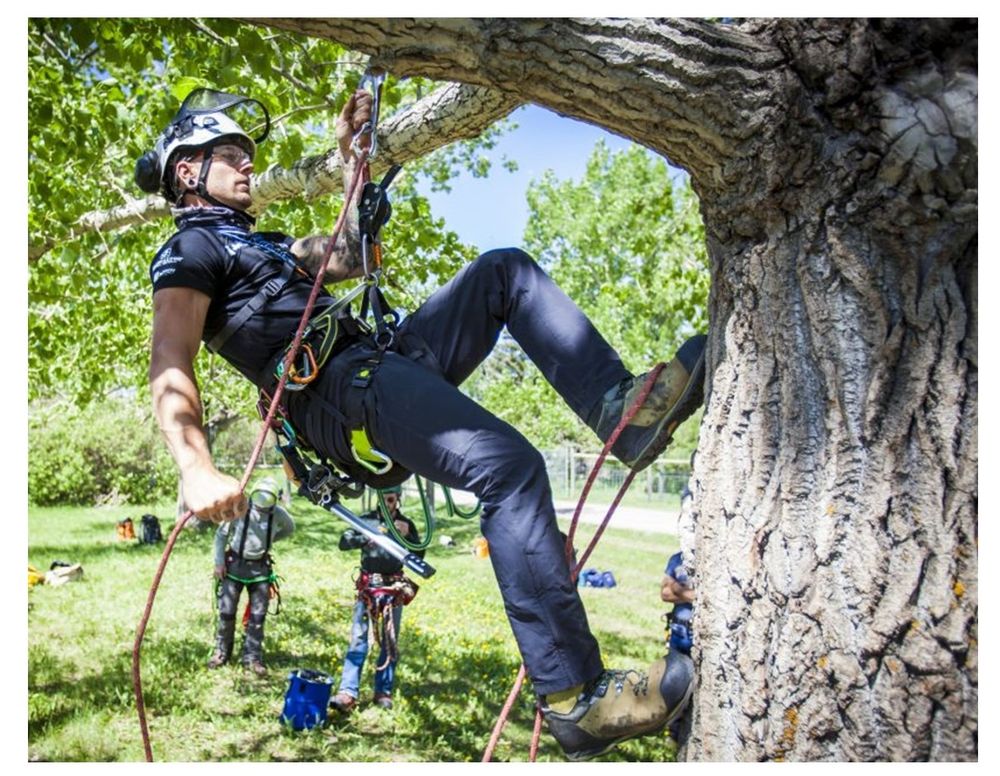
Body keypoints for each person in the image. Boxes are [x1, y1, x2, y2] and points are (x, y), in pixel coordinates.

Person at [143, 85, 706, 760]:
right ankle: (574, 696)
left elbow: (348, 258)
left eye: (247, 155)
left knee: (504, 272)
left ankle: (623, 416)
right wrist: (196, 466)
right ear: (187, 172)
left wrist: (358, 164)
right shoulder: (191, 251)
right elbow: (171, 359)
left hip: (377, 362)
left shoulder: (263, 245)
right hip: (338, 396)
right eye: (230, 155)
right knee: (509, 468)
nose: (247, 166)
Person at [330, 485, 423, 712]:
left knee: (390, 641)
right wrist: (368, 534)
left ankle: (383, 691)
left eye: (390, 499)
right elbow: (344, 542)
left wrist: (408, 535)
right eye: (382, 499)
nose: (386, 504)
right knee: (358, 638)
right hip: (368, 588)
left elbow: (420, 556)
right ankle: (348, 692)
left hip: (393, 590)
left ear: (397, 500)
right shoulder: (366, 520)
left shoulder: (405, 524)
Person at [208, 478, 294, 675]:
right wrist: (219, 562)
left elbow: (290, 529)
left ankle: (252, 658)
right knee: (227, 612)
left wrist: (270, 539)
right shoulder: (240, 509)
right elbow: (221, 535)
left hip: (260, 570)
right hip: (235, 566)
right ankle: (222, 652)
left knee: (257, 616)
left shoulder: (278, 514)